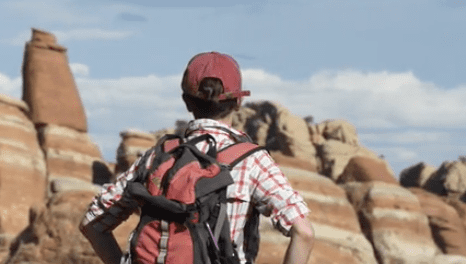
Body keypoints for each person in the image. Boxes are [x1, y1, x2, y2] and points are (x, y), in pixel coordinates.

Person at [80, 52, 314, 264]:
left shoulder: (157, 157)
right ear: (238, 101)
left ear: (187, 101)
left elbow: (92, 225)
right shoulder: (251, 160)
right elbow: (303, 233)